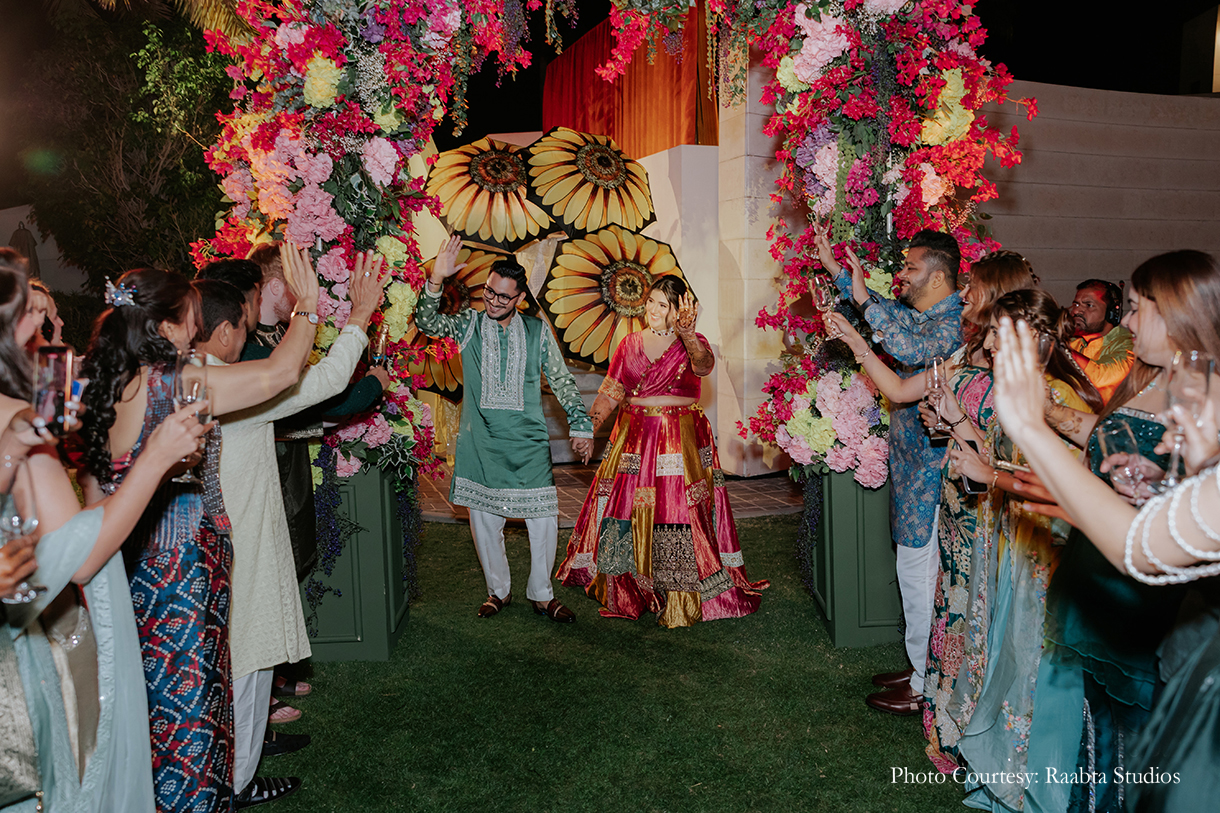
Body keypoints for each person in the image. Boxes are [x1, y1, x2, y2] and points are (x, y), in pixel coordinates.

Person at [75, 245, 320, 813]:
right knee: (193, 716)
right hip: (184, 572)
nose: (196, 325)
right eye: (188, 313)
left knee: (150, 711)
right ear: (164, 325)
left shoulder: (105, 387)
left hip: (129, 567)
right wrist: (306, 307)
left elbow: (95, 501)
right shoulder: (177, 383)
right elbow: (282, 373)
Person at [0, 251, 210, 813]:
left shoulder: (27, 420)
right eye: (42, 322)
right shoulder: (19, 423)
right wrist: (156, 458)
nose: (60, 334)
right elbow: (80, 557)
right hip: (40, 636)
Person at [991, 306, 1220, 813]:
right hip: (1152, 606)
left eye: (1142, 307)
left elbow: (1145, 545)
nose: (1129, 323)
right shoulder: (1154, 384)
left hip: (1185, 634)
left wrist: (1031, 429)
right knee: (1106, 742)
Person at [193, 255, 384, 808]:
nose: (252, 326)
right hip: (238, 546)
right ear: (225, 330)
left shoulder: (179, 374)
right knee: (248, 668)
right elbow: (315, 381)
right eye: (248, 316)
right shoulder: (227, 386)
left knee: (226, 667)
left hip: (203, 549)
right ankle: (234, 784)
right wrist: (358, 317)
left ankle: (226, 773)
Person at [828, 251, 1036, 743]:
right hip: (954, 497)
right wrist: (858, 341)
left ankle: (936, 686)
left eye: (975, 290)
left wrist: (957, 428)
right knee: (944, 595)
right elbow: (902, 389)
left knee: (952, 593)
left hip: (981, 505)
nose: (965, 295)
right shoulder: (968, 353)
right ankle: (934, 678)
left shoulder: (1017, 369)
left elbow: (1013, 447)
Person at [939, 290, 1102, 811]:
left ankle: (1045, 792)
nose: (985, 344)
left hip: (1048, 560)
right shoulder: (1018, 394)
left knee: (1040, 676)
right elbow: (997, 463)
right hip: (1014, 549)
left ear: (1034, 337)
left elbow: (1069, 487)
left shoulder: (1061, 399)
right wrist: (958, 422)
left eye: (996, 334)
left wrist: (990, 477)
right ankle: (1005, 778)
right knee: (1008, 666)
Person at [556, 276, 769, 627]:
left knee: (677, 513)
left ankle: (678, 589)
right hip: (635, 438)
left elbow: (704, 366)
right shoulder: (628, 344)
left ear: (679, 311)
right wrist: (588, 429)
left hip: (679, 439)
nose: (652, 310)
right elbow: (612, 391)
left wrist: (686, 335)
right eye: (651, 301)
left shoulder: (694, 343)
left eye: (662, 305)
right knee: (626, 510)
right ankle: (627, 584)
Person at [820, 225, 965, 715]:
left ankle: (926, 684)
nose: (901, 274)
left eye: (910, 266)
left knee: (921, 573)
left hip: (934, 471)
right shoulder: (927, 314)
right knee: (913, 572)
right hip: (912, 464)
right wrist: (842, 275)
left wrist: (860, 300)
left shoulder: (955, 323)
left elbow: (902, 348)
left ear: (939, 275)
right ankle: (922, 663)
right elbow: (897, 319)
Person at [417, 235, 592, 622]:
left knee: (543, 521)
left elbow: (562, 381)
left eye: (503, 297)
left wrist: (581, 426)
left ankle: (542, 594)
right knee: (485, 522)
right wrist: (436, 280)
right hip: (481, 443)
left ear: (519, 299)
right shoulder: (470, 324)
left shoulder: (536, 332)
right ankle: (499, 591)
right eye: (489, 293)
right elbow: (426, 322)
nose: (493, 302)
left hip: (527, 444)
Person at [1067, 279, 1134, 404]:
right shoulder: (1072, 342)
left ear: (1111, 313)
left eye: (1089, 305)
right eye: (1075, 304)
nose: (1076, 311)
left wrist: (1059, 349)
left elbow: (1098, 377)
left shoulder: (1129, 343)